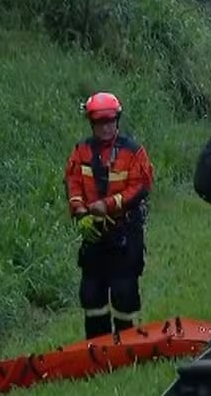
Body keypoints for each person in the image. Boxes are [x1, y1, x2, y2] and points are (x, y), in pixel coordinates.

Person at [64, 92, 154, 339]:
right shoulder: (81, 150)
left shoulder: (133, 151)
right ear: (92, 123)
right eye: (100, 122)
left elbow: (140, 187)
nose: (106, 127)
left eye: (110, 121)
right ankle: (96, 349)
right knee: (91, 293)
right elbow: (72, 182)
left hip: (125, 230)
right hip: (94, 231)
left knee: (124, 293)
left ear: (118, 120)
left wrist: (108, 204)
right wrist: (80, 212)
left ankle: (128, 346)